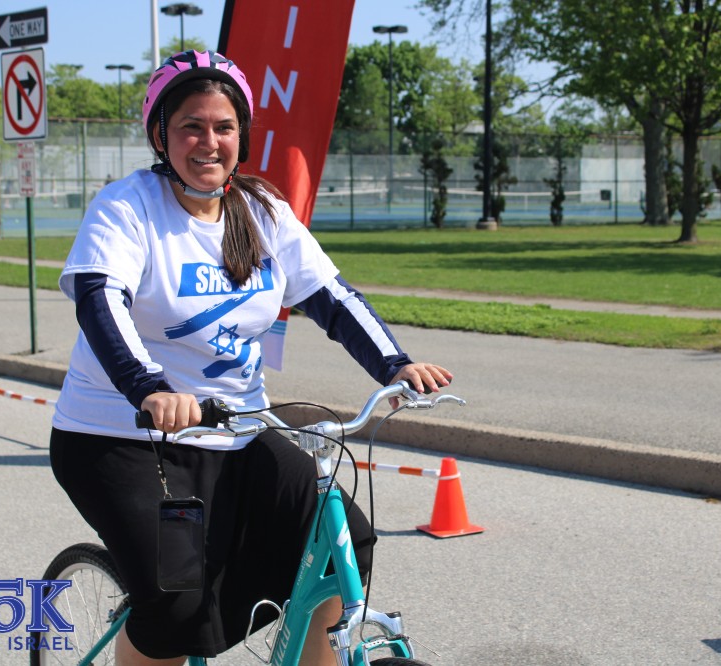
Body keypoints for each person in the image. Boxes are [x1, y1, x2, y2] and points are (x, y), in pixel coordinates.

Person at [49, 50, 452, 665]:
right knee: (177, 605)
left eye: (224, 127)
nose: (209, 142)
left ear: (241, 135)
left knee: (341, 543)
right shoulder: (128, 206)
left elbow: (332, 297)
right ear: (161, 135)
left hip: (238, 428)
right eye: (191, 126)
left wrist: (395, 365)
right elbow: (100, 298)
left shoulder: (263, 211)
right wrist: (149, 387)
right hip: (124, 435)